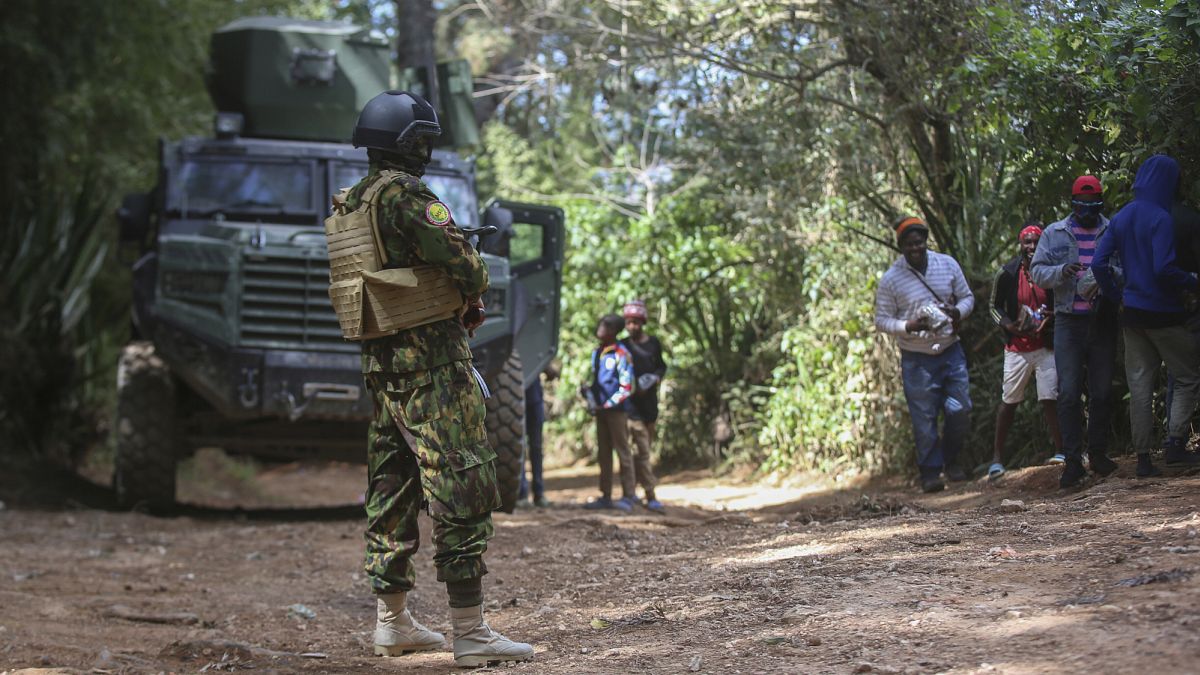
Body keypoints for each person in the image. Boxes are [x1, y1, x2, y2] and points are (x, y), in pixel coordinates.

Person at [338, 90, 531, 666]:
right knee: (463, 481)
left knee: (392, 487)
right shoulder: (408, 198)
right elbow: (465, 265)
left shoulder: (353, 202)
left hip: (384, 366)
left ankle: (392, 623)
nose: (425, 150)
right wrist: (470, 283)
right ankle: (470, 631)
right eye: (421, 140)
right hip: (433, 365)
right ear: (405, 144)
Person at [1093, 155, 1200, 476]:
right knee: (1187, 376)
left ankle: (1143, 460)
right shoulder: (1161, 217)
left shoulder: (1122, 216)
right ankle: (1175, 444)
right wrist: (1192, 281)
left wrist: (1117, 296)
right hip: (1164, 313)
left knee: (1139, 386)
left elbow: (1098, 264)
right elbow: (1164, 268)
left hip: (1132, 315)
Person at [1029, 175, 1121, 488]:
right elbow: (1037, 273)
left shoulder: (1112, 229)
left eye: (1092, 207)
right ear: (1072, 205)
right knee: (1067, 392)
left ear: (1100, 205)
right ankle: (1072, 461)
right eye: (1081, 207)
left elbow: (1126, 268)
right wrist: (1061, 272)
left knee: (1101, 391)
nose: (1086, 212)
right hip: (1068, 321)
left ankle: (1097, 455)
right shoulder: (1055, 233)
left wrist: (1105, 274)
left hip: (1102, 320)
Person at [874, 215, 975, 493]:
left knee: (961, 409)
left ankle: (951, 459)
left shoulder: (947, 264)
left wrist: (957, 312)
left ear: (925, 242)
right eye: (908, 245)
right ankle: (930, 473)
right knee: (924, 420)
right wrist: (909, 326)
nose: (915, 248)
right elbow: (881, 320)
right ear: (901, 247)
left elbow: (967, 298)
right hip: (916, 358)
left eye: (918, 243)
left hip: (949, 349)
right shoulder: (891, 279)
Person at [987, 222, 1063, 478]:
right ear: (1020, 245)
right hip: (1017, 347)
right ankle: (997, 460)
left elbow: (1062, 300)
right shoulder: (1007, 273)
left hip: (1046, 345)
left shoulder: (1052, 271)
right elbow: (993, 306)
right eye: (1027, 242)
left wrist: (1051, 317)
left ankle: (1062, 451)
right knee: (1009, 401)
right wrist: (1011, 326)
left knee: (1050, 397)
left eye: (1036, 242)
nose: (1031, 247)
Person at [580, 313, 637, 511]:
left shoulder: (621, 353)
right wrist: (589, 394)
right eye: (600, 325)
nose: (600, 329)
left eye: (605, 326)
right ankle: (605, 495)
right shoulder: (597, 352)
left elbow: (627, 387)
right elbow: (597, 381)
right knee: (604, 454)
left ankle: (629, 495)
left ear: (613, 331)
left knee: (623, 451)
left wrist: (607, 404)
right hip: (600, 411)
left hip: (617, 411)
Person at [620, 299, 667, 512]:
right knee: (635, 453)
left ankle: (639, 493)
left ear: (642, 322)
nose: (632, 327)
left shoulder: (653, 343)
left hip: (650, 408)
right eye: (628, 323)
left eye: (635, 323)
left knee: (643, 452)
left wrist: (654, 379)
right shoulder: (622, 346)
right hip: (630, 409)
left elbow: (661, 367)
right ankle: (644, 494)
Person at [518, 374, 549, 507]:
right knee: (519, 447)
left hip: (535, 400)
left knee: (536, 447)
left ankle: (539, 493)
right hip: (515, 401)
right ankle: (522, 493)